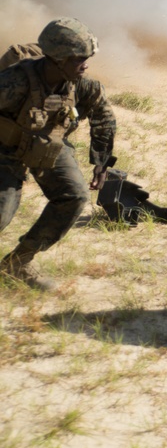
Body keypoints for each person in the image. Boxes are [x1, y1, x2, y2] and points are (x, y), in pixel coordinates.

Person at [0, 18, 116, 289]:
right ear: (58, 59)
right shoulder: (12, 83)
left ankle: (17, 265)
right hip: (6, 152)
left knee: (74, 197)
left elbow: (104, 117)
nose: (85, 65)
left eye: (87, 58)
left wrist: (101, 162)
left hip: (49, 145)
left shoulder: (82, 86)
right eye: (79, 59)